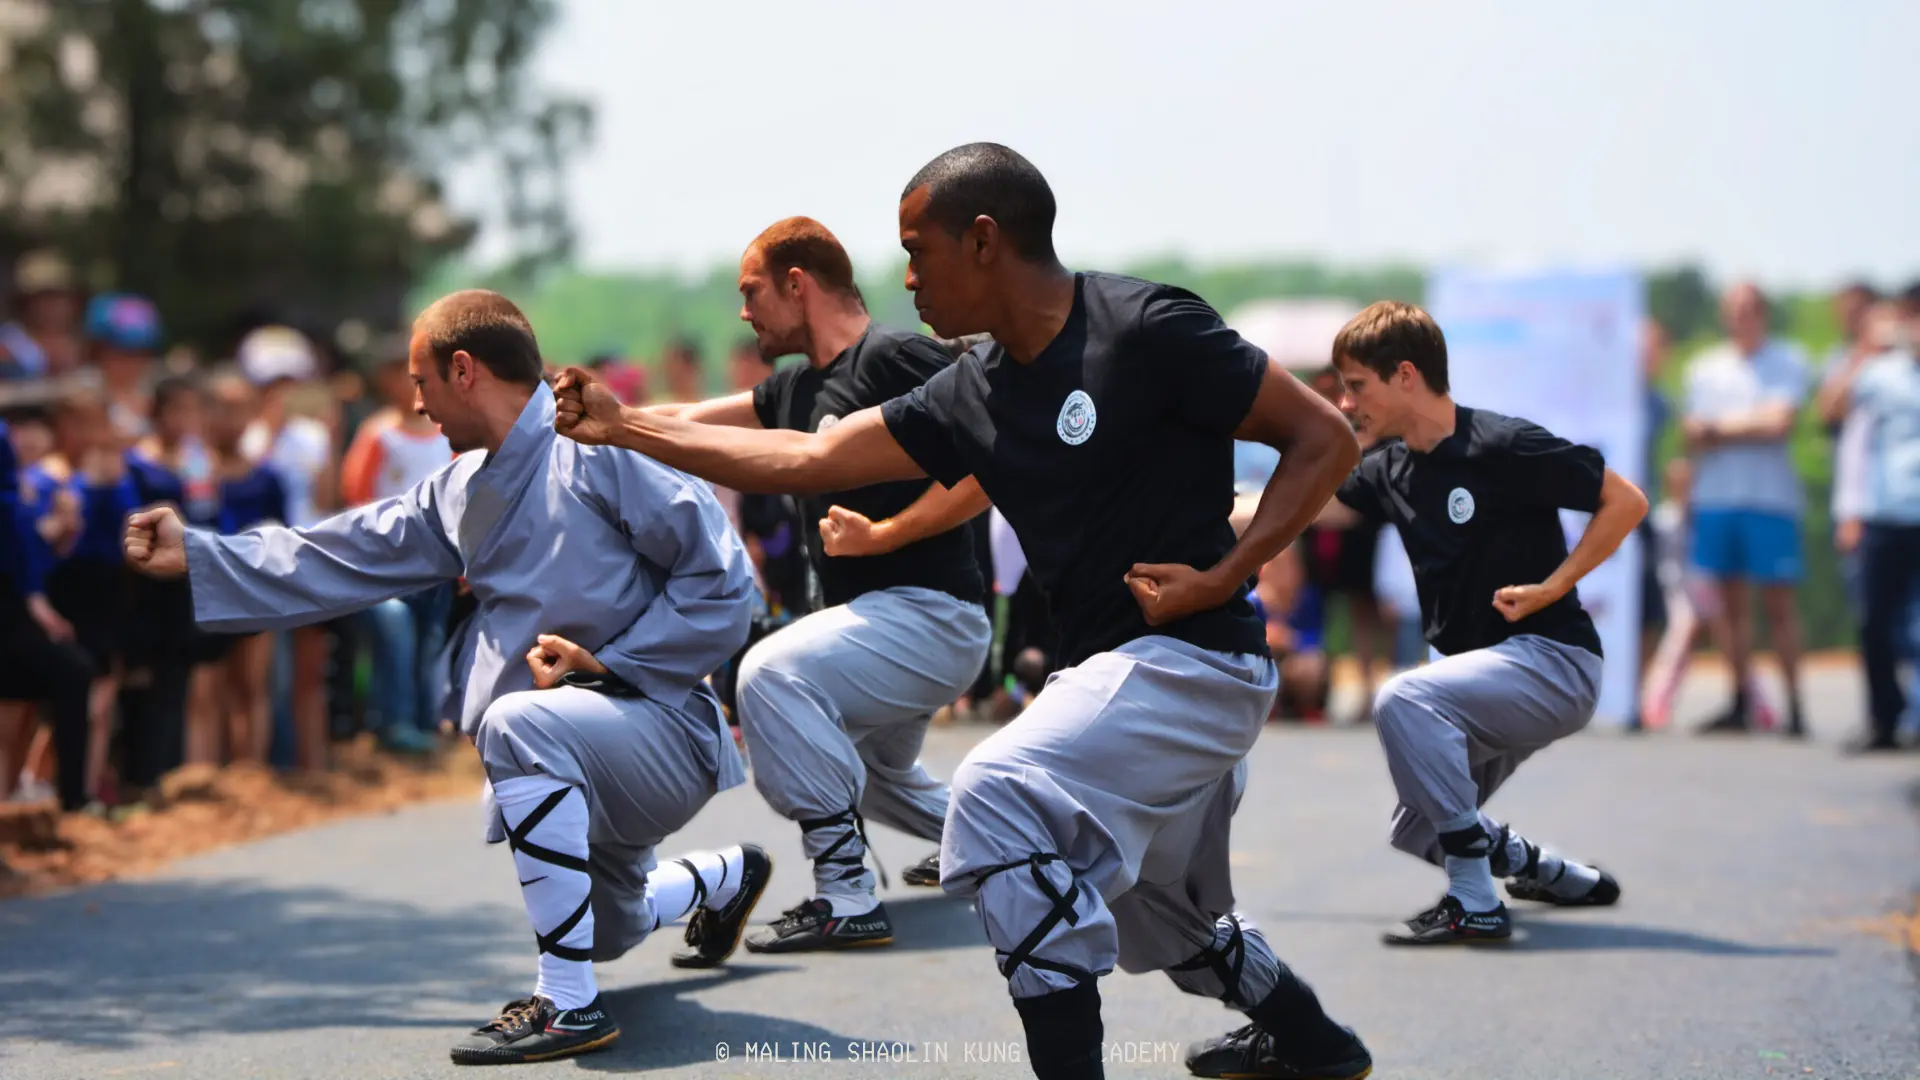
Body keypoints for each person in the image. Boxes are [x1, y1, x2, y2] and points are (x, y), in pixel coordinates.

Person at [552, 143, 1372, 1080]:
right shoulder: (971, 388)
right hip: (1105, 675)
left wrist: (1227, 574)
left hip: (1194, 662)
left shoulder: (1145, 326)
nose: (906, 279)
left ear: (983, 241)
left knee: (995, 794)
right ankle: (1313, 1042)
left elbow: (1324, 437)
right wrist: (625, 426)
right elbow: (806, 461)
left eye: (918, 250)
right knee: (1167, 913)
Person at [125, 290, 773, 1066]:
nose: (417, 405)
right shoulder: (461, 489)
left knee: (516, 721)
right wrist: (198, 555)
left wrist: (612, 664)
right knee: (609, 927)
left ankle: (567, 1006)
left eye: (422, 382)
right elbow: (338, 553)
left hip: (662, 728)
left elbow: (728, 586)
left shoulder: (606, 448)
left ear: (464, 370)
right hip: (573, 749)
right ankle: (722, 878)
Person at [640, 217, 990, 952]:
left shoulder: (897, 357)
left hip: (934, 617)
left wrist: (889, 535)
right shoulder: (796, 387)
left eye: (751, 292)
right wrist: (584, 419)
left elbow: (989, 468)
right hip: (873, 627)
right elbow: (689, 421)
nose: (743, 313)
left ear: (797, 283)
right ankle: (1031, 847)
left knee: (768, 675)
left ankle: (847, 895)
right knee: (869, 773)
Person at [1317, 301, 1644, 946]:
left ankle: (1476, 903)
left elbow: (1625, 502)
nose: (1347, 403)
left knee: (1401, 698)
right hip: (1479, 683)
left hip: (1554, 663)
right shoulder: (1388, 470)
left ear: (1405, 375)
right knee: (1418, 829)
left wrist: (1555, 585)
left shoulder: (1504, 444)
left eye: (1357, 386)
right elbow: (1295, 511)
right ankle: (1547, 871)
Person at [1681, 283, 1810, 736]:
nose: (1743, 317)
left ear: (1763, 313)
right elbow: (1692, 432)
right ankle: (1740, 701)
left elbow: (1778, 424)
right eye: (1736, 310)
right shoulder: (1706, 367)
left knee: (1778, 607)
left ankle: (1795, 706)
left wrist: (1718, 430)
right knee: (1730, 611)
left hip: (1769, 499)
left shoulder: (1787, 360)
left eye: (1751, 309)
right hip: (1718, 498)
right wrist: (1738, 428)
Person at [1815, 284, 1920, 753]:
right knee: (1874, 622)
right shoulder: (1880, 371)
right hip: (1885, 512)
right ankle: (1884, 718)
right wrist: (1863, 350)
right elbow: (1830, 412)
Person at [338, 352, 456, 754]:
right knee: (397, 631)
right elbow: (356, 495)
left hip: (436, 561)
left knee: (431, 640)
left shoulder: (446, 434)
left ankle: (430, 723)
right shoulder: (379, 433)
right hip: (386, 562)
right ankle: (394, 723)